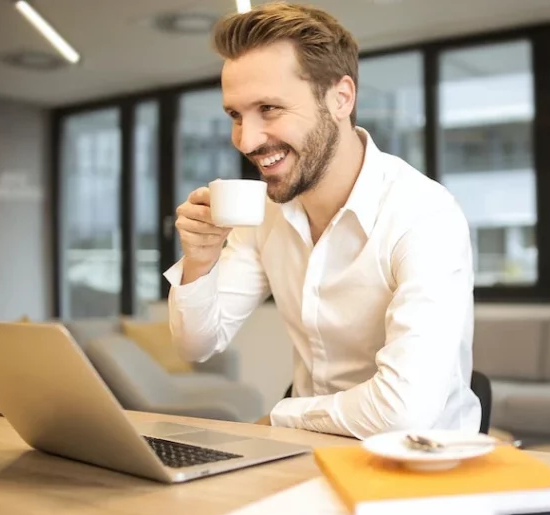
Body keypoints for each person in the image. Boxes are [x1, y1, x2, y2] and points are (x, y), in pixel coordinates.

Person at [164, 2, 480, 439]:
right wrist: (199, 260)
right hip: (307, 455)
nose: (247, 140)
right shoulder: (267, 214)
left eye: (269, 109)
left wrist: (281, 416)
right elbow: (197, 345)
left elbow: (404, 411)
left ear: (341, 98)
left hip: (418, 465)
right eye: (236, 115)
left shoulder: (424, 215)